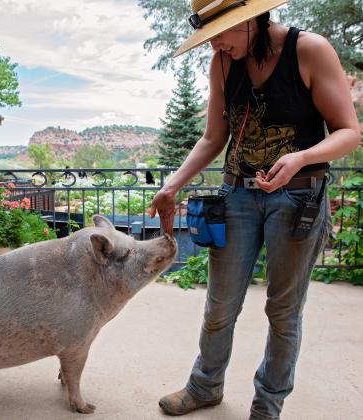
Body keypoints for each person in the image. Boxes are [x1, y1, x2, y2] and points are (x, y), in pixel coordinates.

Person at [149, 0, 360, 419]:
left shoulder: (309, 50)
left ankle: (267, 406)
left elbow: (349, 132)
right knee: (219, 306)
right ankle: (204, 387)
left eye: (221, 35)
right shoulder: (223, 65)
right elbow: (213, 138)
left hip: (298, 197)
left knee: (283, 312)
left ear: (249, 20)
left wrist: (300, 158)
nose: (215, 46)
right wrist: (172, 185)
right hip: (237, 197)